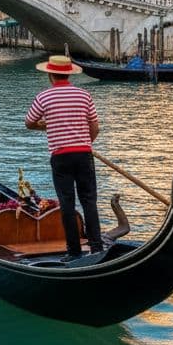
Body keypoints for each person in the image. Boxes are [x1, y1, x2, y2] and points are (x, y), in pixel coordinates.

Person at [24, 54, 104, 263]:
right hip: (84, 154)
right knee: (89, 201)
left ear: (50, 74)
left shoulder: (44, 97)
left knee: (67, 203)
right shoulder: (84, 95)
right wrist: (86, 144)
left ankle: (74, 252)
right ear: (69, 74)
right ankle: (96, 248)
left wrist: (46, 125)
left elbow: (29, 122)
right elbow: (95, 127)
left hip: (60, 156)